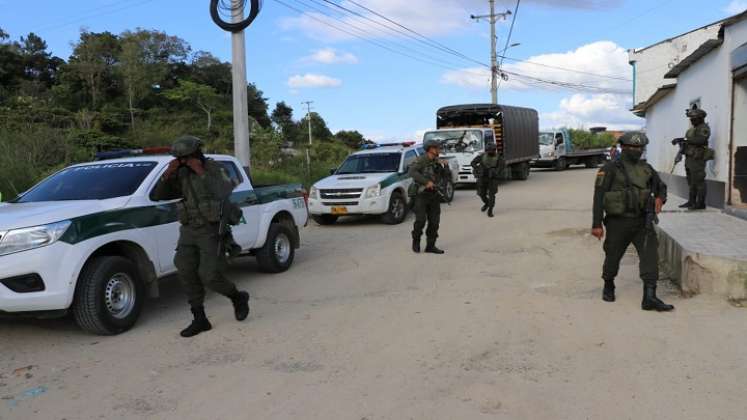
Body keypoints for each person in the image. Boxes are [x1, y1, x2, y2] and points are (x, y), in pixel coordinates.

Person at [153, 136, 250, 337]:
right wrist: (167, 175)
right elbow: (159, 195)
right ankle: (200, 318)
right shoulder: (180, 174)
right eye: (180, 159)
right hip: (188, 229)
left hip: (210, 229)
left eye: (185, 158)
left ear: (195, 154)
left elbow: (224, 191)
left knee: (209, 276)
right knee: (185, 269)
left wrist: (201, 172)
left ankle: (237, 297)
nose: (183, 162)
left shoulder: (213, 168)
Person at [591, 132, 674, 312]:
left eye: (639, 148)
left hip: (642, 221)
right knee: (612, 255)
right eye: (632, 147)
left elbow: (661, 187)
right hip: (617, 222)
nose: (636, 151)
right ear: (623, 148)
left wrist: (661, 198)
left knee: (650, 256)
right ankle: (608, 283)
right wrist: (596, 224)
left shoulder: (647, 168)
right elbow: (598, 197)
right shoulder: (610, 168)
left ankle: (649, 297)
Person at [409, 139, 446, 254]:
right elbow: (412, 172)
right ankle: (416, 241)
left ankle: (431, 245)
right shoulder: (421, 160)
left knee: (434, 222)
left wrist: (445, 166)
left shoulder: (436, 161)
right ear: (431, 149)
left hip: (434, 195)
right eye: (437, 148)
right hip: (421, 195)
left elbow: (442, 176)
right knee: (420, 220)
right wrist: (426, 182)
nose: (439, 150)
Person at [678, 108, 711, 210]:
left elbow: (700, 140)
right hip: (689, 157)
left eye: (694, 119)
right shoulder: (691, 130)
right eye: (691, 119)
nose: (692, 121)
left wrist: (684, 139)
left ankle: (700, 203)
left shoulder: (704, 128)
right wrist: (680, 150)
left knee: (699, 181)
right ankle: (691, 201)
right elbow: (686, 142)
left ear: (701, 118)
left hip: (698, 158)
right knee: (691, 181)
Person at [471, 143, 504, 217]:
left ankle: (490, 210)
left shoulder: (499, 158)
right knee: (481, 194)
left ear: (494, 150)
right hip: (482, 178)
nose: (490, 151)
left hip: (492, 179)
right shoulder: (482, 156)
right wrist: (477, 168)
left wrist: (495, 172)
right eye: (488, 150)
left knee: (492, 195)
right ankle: (487, 203)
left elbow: (501, 167)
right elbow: (473, 163)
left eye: (492, 150)